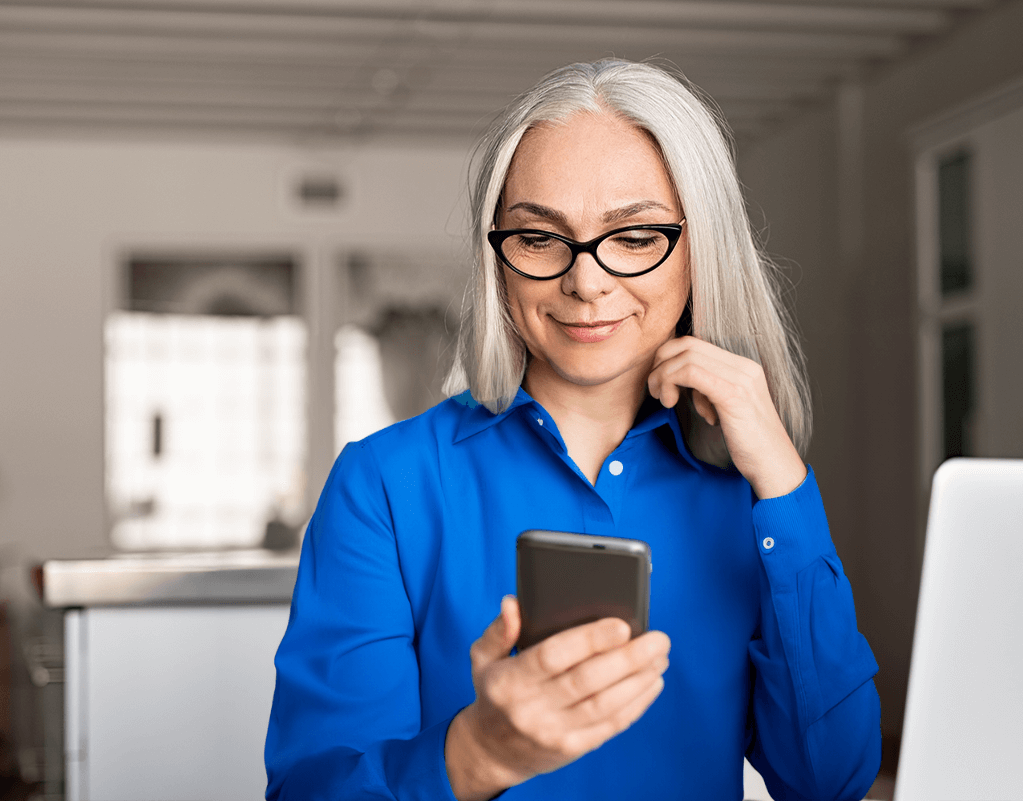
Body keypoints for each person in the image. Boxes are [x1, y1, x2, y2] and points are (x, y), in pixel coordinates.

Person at [265, 59, 881, 801]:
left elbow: (830, 782)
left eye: (633, 235)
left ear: (700, 249)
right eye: (538, 238)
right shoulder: (386, 486)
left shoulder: (753, 493)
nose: (586, 281)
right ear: (498, 261)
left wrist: (784, 484)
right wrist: (478, 753)